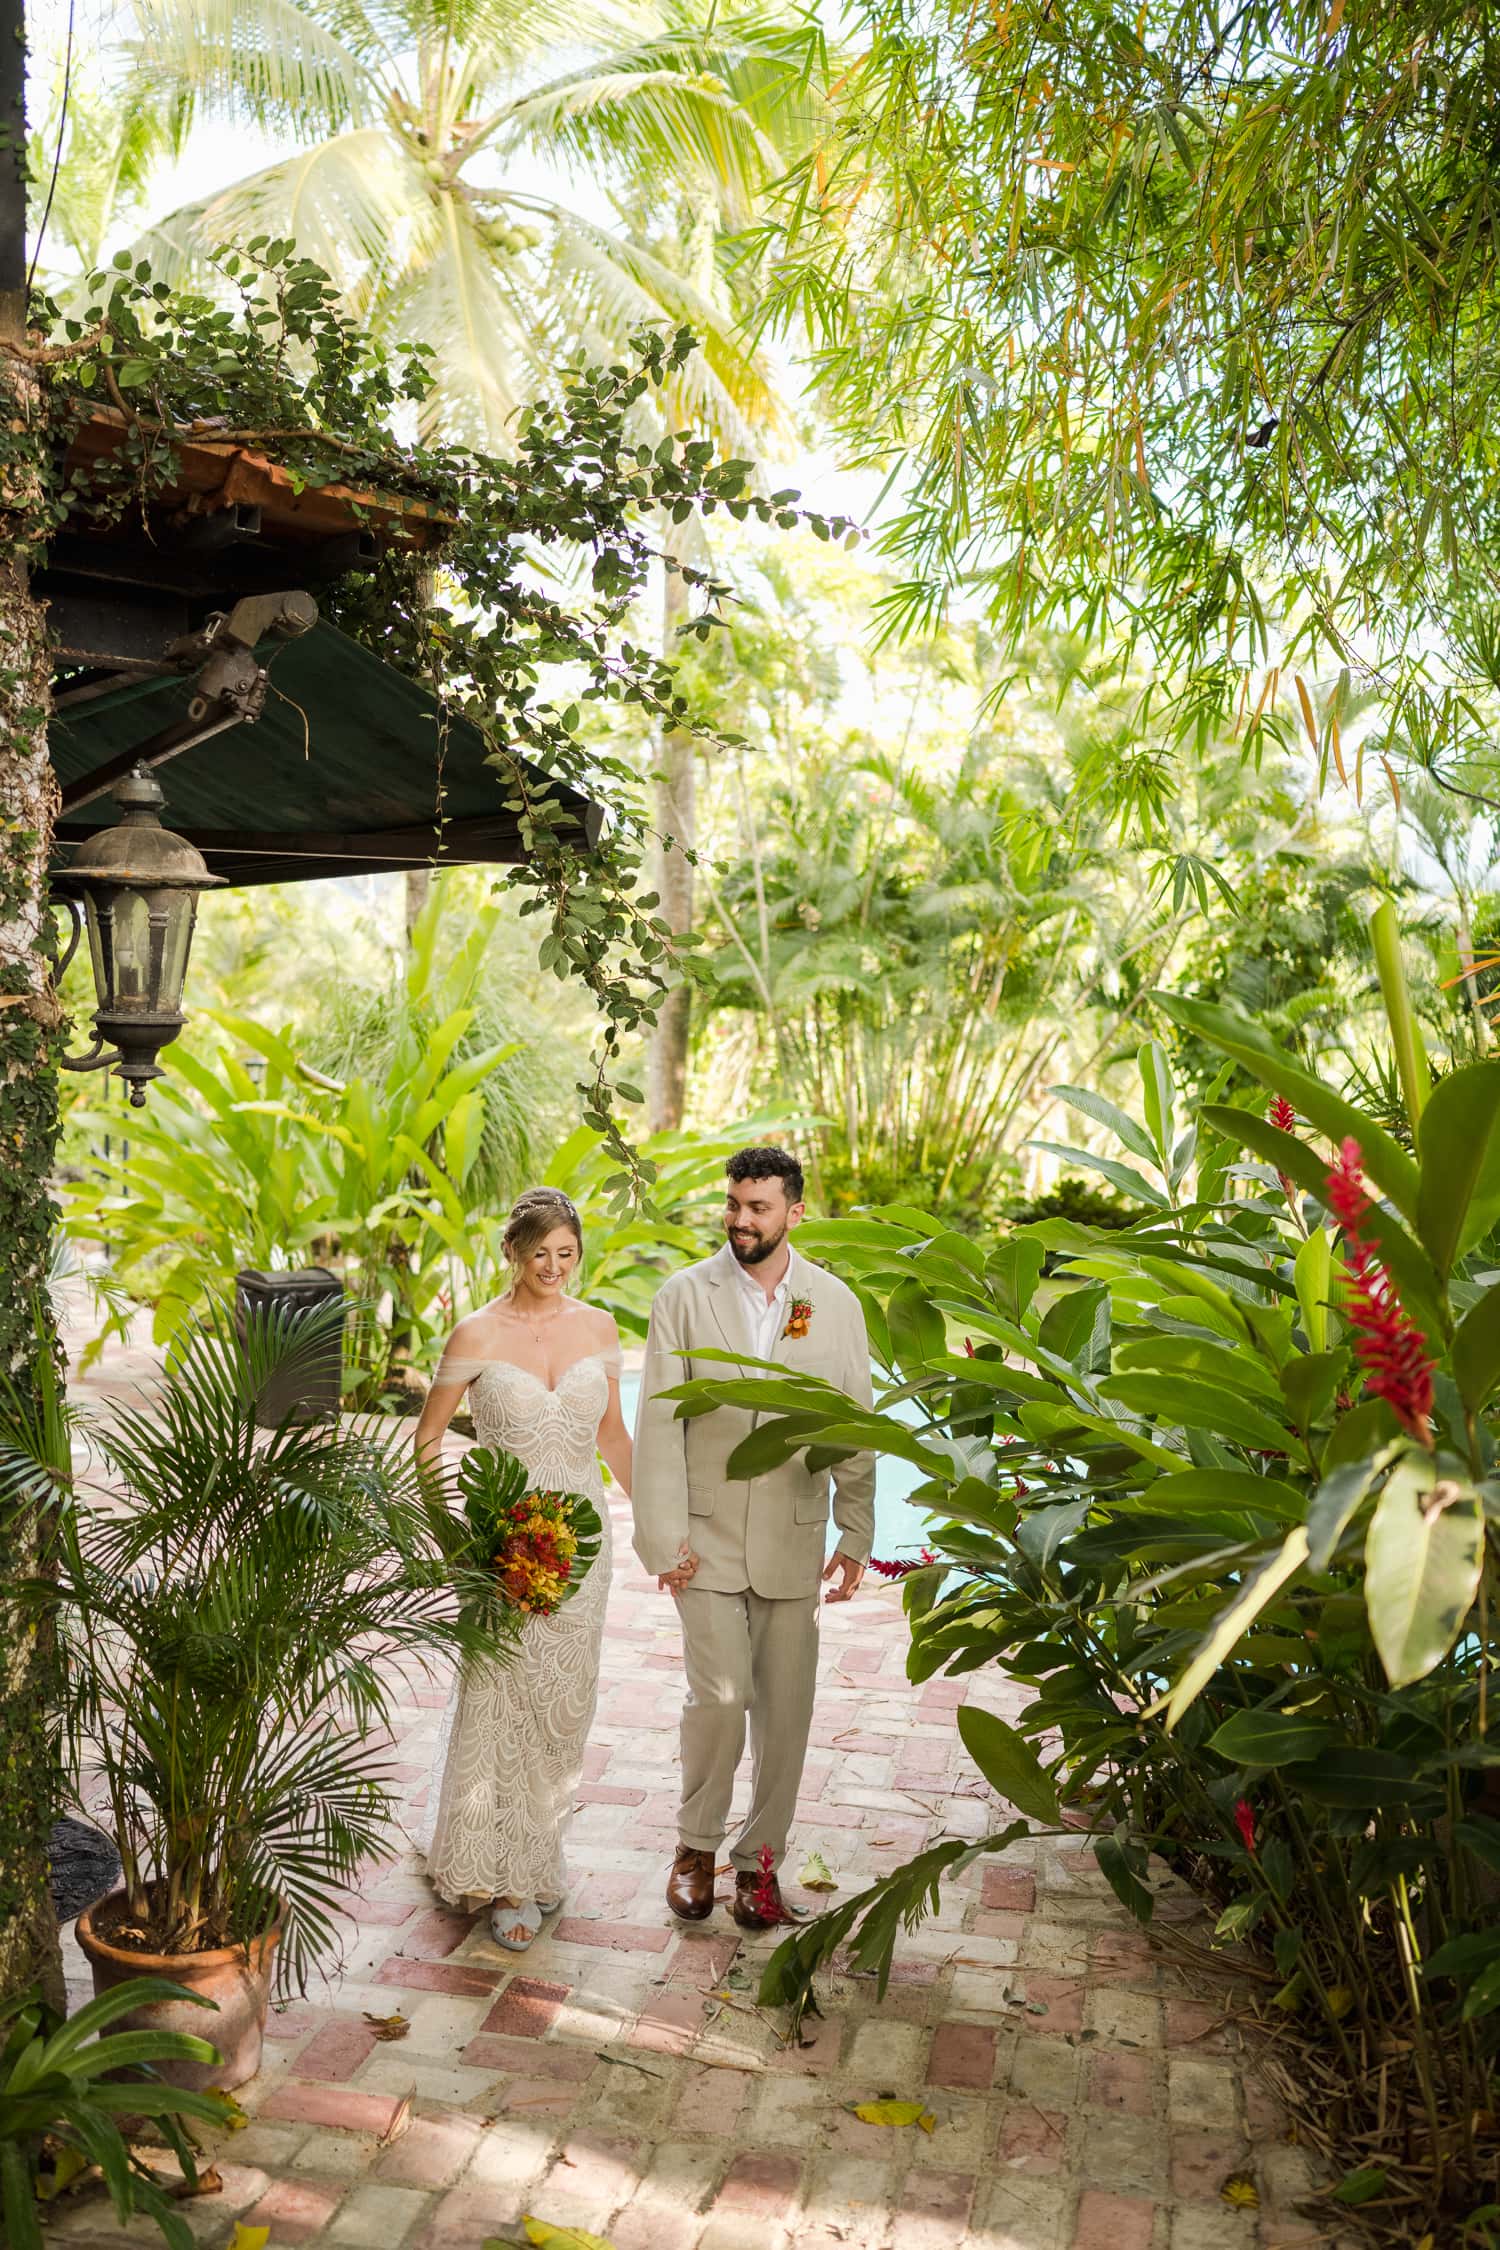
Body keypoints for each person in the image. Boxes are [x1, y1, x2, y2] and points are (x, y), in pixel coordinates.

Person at [632, 1145, 875, 1929]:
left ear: (795, 1212)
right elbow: (661, 1420)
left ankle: (758, 1866)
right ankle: (695, 1848)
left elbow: (855, 1424)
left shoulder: (835, 1304)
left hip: (794, 1535)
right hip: (703, 1538)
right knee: (720, 1699)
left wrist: (856, 1531)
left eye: (758, 1207)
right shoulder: (683, 1295)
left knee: (788, 1712)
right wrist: (664, 1538)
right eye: (734, 1204)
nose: (741, 1220)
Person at [414, 1187, 632, 1952]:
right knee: (502, 1700)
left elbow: (614, 1441)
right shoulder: (474, 1333)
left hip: (582, 1548)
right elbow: (429, 1442)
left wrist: (661, 1524)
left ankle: (540, 1846)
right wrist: (456, 1539)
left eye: (567, 1253)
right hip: (499, 1544)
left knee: (562, 1705)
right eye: (540, 1253)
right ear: (514, 1252)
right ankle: (505, 1880)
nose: (554, 1267)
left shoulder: (599, 1327)